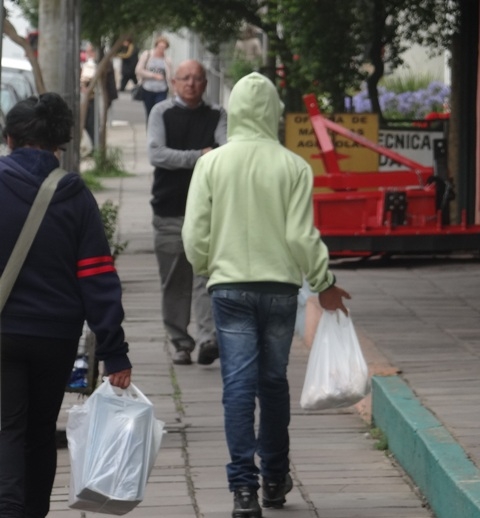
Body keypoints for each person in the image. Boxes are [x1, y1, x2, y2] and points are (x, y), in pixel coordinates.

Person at [182, 72, 351, 518]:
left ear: (234, 111)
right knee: (273, 384)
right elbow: (301, 235)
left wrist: (208, 267)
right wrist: (324, 280)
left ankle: (243, 490)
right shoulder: (292, 165)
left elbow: (194, 233)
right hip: (279, 289)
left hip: (229, 288)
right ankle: (275, 478)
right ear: (274, 112)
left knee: (237, 386)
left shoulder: (211, 164)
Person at [0, 92, 132, 518]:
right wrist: (114, 352)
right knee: (40, 432)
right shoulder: (75, 196)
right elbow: (97, 277)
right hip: (54, 337)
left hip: (2, 332)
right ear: (59, 145)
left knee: (6, 429)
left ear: (9, 139)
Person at [147, 59, 227, 366]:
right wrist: (200, 156)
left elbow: (224, 151)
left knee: (205, 276)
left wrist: (198, 158)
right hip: (169, 209)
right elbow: (157, 154)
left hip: (208, 210)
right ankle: (180, 341)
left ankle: (208, 338)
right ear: (174, 83)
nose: (191, 83)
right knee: (174, 279)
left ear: (205, 84)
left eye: (197, 78)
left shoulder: (217, 114)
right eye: (185, 78)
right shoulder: (161, 112)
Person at [136, 35, 172, 118]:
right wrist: (153, 75)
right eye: (160, 47)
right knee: (150, 113)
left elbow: (170, 75)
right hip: (148, 88)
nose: (161, 49)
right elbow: (138, 70)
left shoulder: (167, 60)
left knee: (160, 112)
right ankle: (150, 130)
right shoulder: (147, 55)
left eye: (164, 48)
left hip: (161, 89)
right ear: (156, 46)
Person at [80, 42, 97, 145]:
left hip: (91, 98)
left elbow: (85, 79)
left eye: (89, 51)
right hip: (89, 98)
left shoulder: (90, 64)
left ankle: (91, 145)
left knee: (90, 124)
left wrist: (84, 86)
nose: (87, 53)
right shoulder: (89, 64)